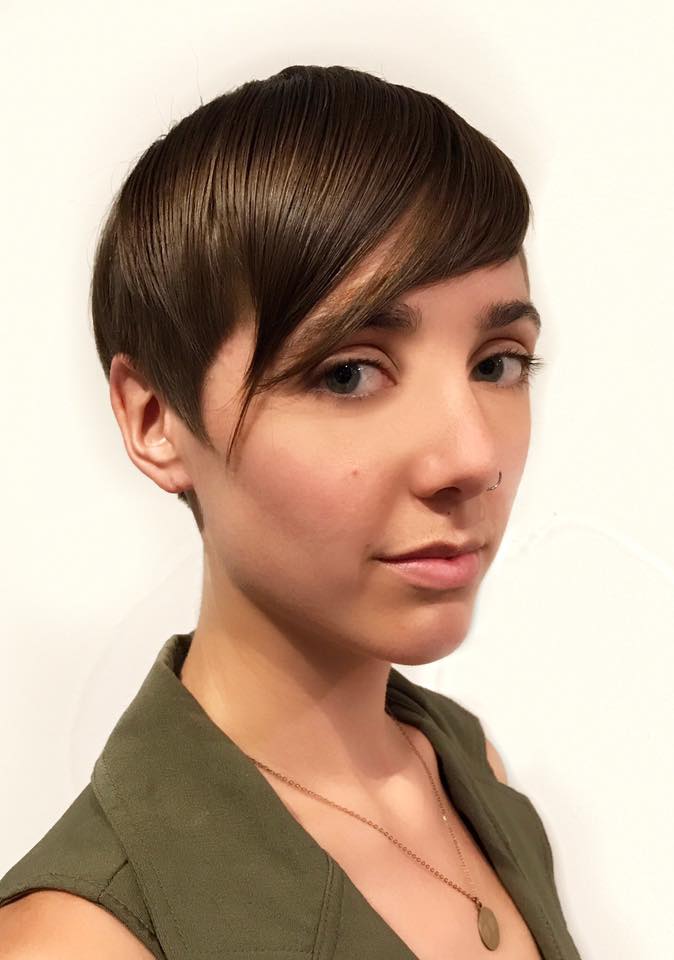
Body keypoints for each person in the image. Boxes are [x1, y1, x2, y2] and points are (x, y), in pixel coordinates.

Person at [0, 64, 583, 959]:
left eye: (497, 363)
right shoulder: (78, 939)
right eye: (348, 374)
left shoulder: (470, 773)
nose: (472, 457)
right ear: (154, 419)